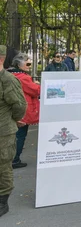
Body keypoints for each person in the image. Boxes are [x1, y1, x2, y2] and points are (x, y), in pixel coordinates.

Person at [0, 45, 27, 218]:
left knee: (3, 165)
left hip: (3, 130)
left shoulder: (7, 79)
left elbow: (19, 105)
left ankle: (3, 201)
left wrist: (12, 120)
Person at [8, 53, 40, 169]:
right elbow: (35, 91)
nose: (29, 65)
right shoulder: (23, 77)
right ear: (19, 64)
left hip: (9, 109)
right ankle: (15, 160)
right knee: (20, 136)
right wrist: (37, 85)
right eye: (27, 63)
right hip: (22, 111)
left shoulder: (8, 74)